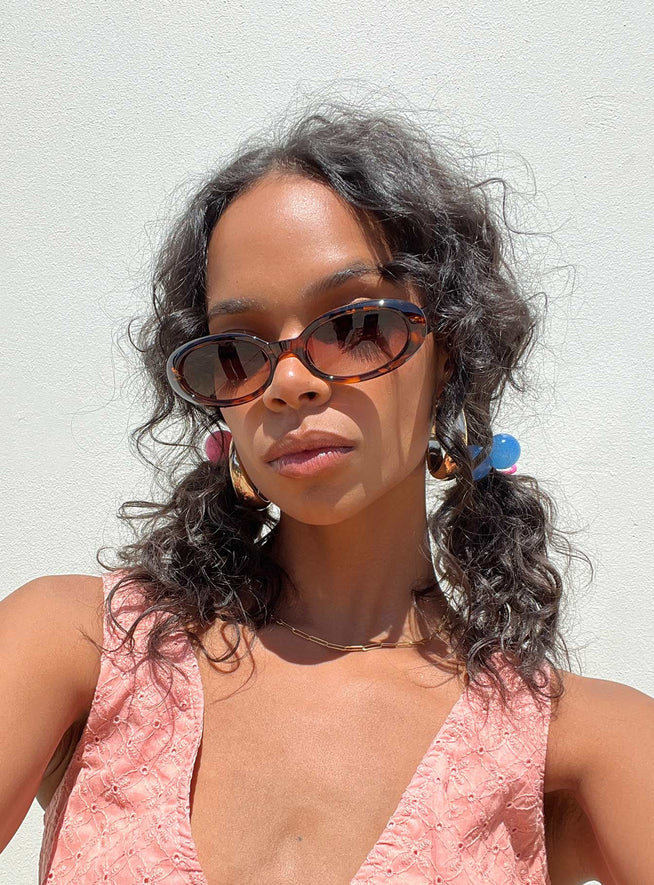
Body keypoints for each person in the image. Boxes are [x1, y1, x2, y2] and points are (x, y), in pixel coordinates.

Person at [1, 101, 652, 885]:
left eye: (353, 325)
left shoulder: (583, 745)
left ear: (450, 349)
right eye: (239, 349)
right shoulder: (80, 648)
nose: (290, 380)